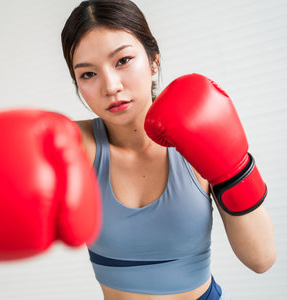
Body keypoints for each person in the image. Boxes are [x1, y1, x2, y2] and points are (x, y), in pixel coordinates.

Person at [61, 0, 276, 299]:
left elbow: (261, 259)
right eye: (88, 74)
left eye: (122, 60)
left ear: (153, 59)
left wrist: (234, 168)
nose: (110, 86)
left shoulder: (196, 133)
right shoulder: (72, 144)